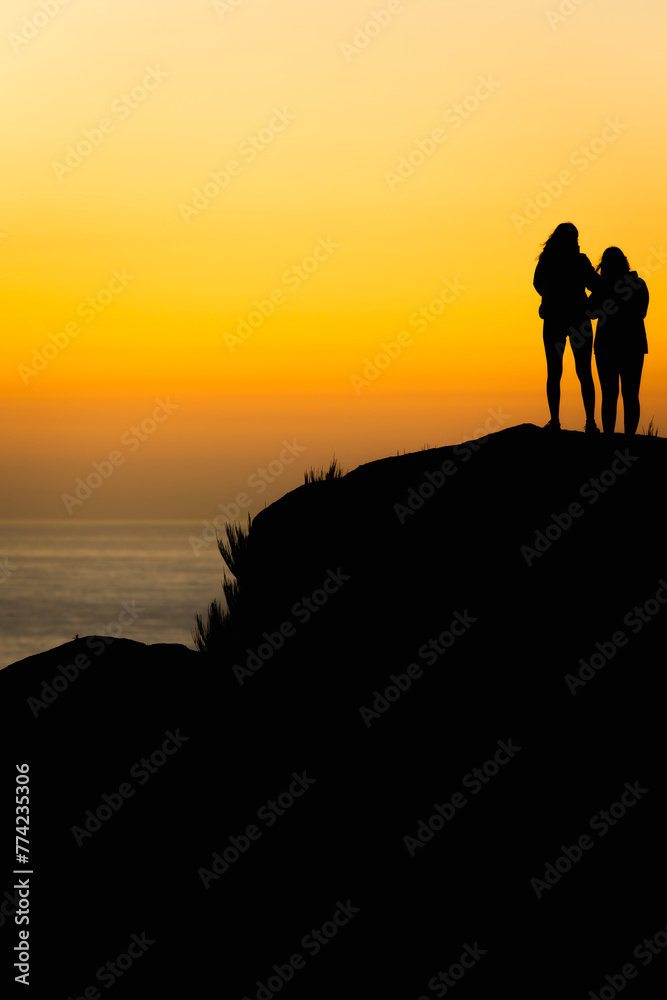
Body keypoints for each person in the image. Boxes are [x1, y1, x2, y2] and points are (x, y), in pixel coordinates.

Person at [533, 222, 601, 432]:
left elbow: (536, 283)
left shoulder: (547, 260)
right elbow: (596, 285)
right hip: (578, 319)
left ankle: (556, 421)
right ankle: (589, 422)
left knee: (555, 372)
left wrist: (549, 300)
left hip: (555, 319)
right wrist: (589, 303)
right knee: (583, 372)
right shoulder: (579, 260)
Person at [590, 247, 648, 435]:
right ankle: (628, 438)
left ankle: (609, 437)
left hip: (607, 346)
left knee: (609, 395)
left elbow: (590, 311)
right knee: (631, 395)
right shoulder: (639, 284)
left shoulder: (602, 287)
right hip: (633, 346)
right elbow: (642, 312)